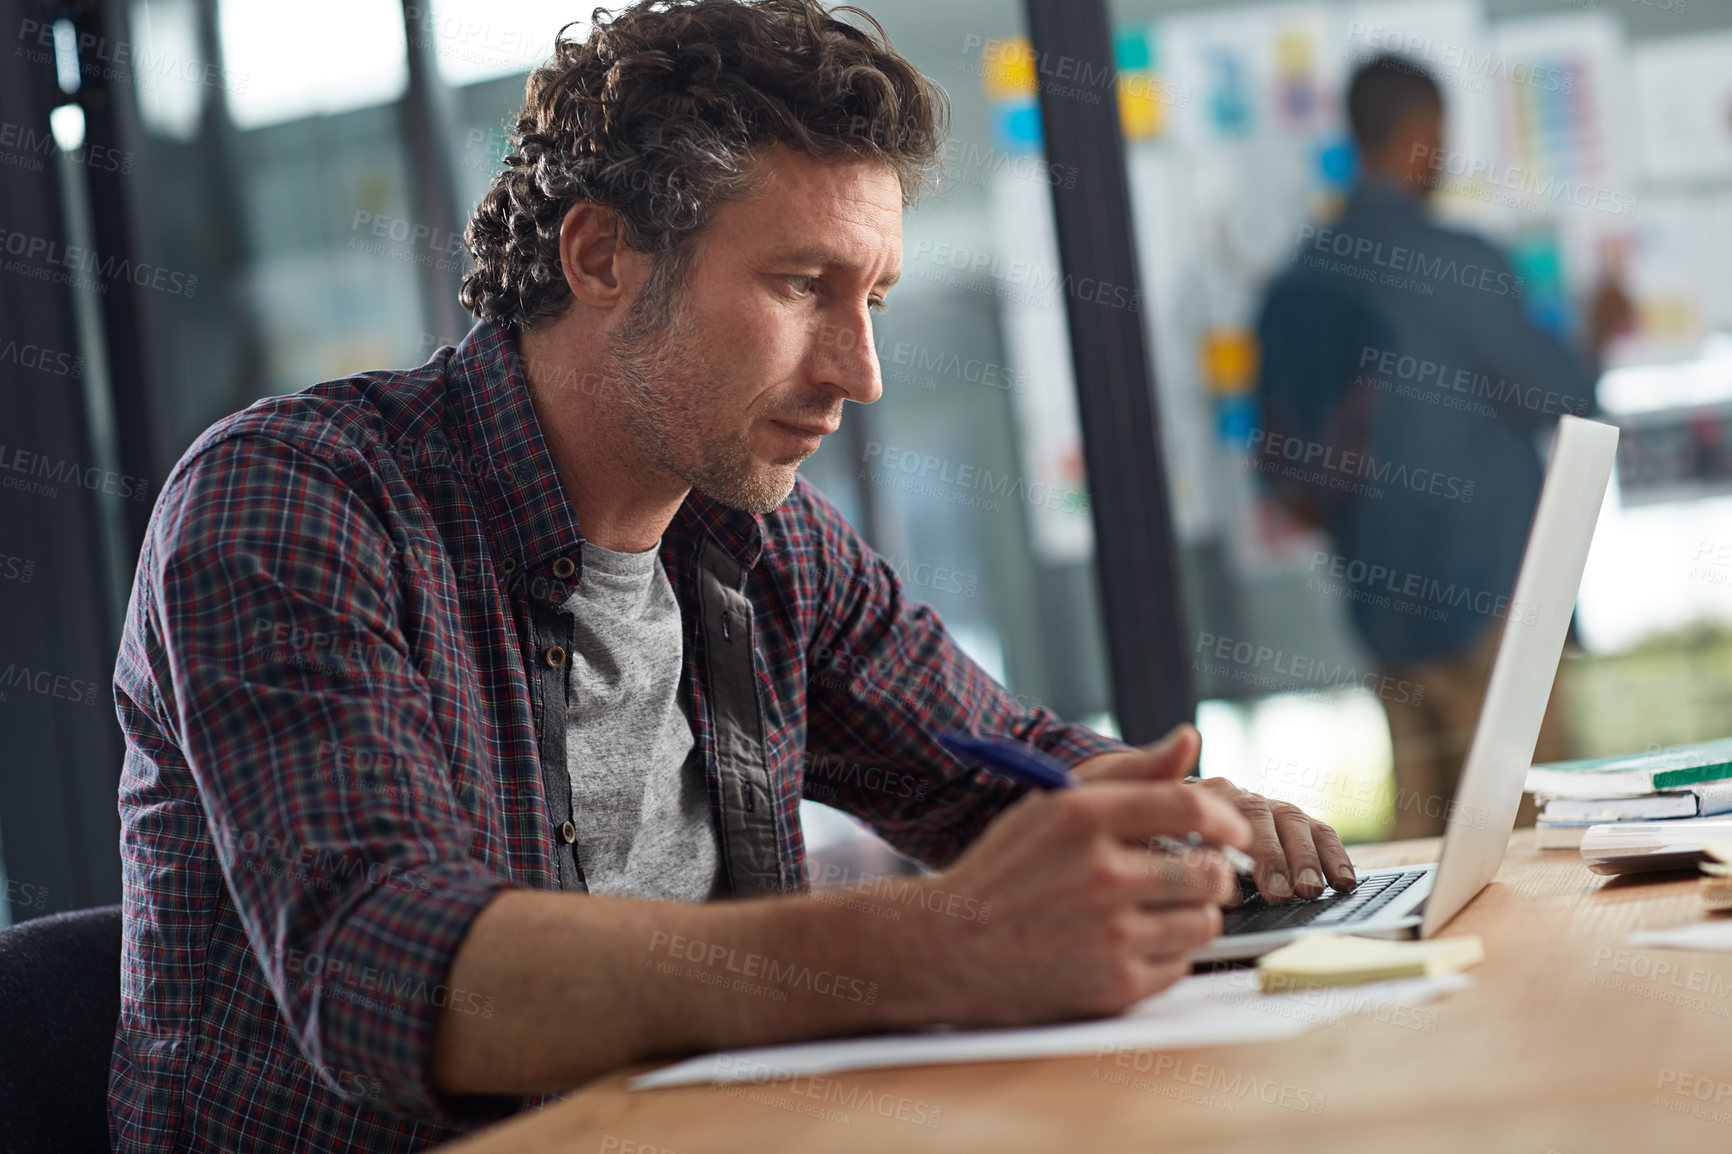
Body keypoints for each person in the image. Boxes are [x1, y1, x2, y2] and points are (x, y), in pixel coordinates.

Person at [109, 3, 1356, 1150]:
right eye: (801, 284)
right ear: (600, 257)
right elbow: (389, 971)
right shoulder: (293, 501)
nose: (859, 372)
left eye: (871, 296)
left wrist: (1181, 822)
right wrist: (934, 946)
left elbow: (996, 763)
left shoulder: (763, 540)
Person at [1254, 54, 1631, 839]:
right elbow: (1564, 397)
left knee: (1424, 856)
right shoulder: (1456, 262)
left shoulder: (1293, 284)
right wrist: (1597, 330)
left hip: (1383, 613)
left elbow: (1283, 472)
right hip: (1496, 605)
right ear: (1424, 135)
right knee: (1529, 849)